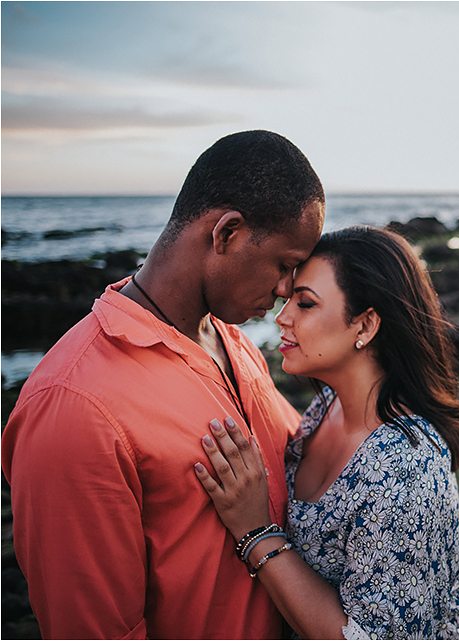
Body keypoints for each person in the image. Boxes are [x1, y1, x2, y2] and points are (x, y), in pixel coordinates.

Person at [1, 130, 325, 639]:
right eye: (284, 266)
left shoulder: (231, 341)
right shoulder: (74, 405)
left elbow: (304, 452)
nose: (286, 291)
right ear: (226, 234)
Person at [194, 226, 459, 639]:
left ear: (364, 325)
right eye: (289, 299)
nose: (282, 317)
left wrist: (255, 532)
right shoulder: (327, 408)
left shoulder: (405, 467)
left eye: (306, 303)